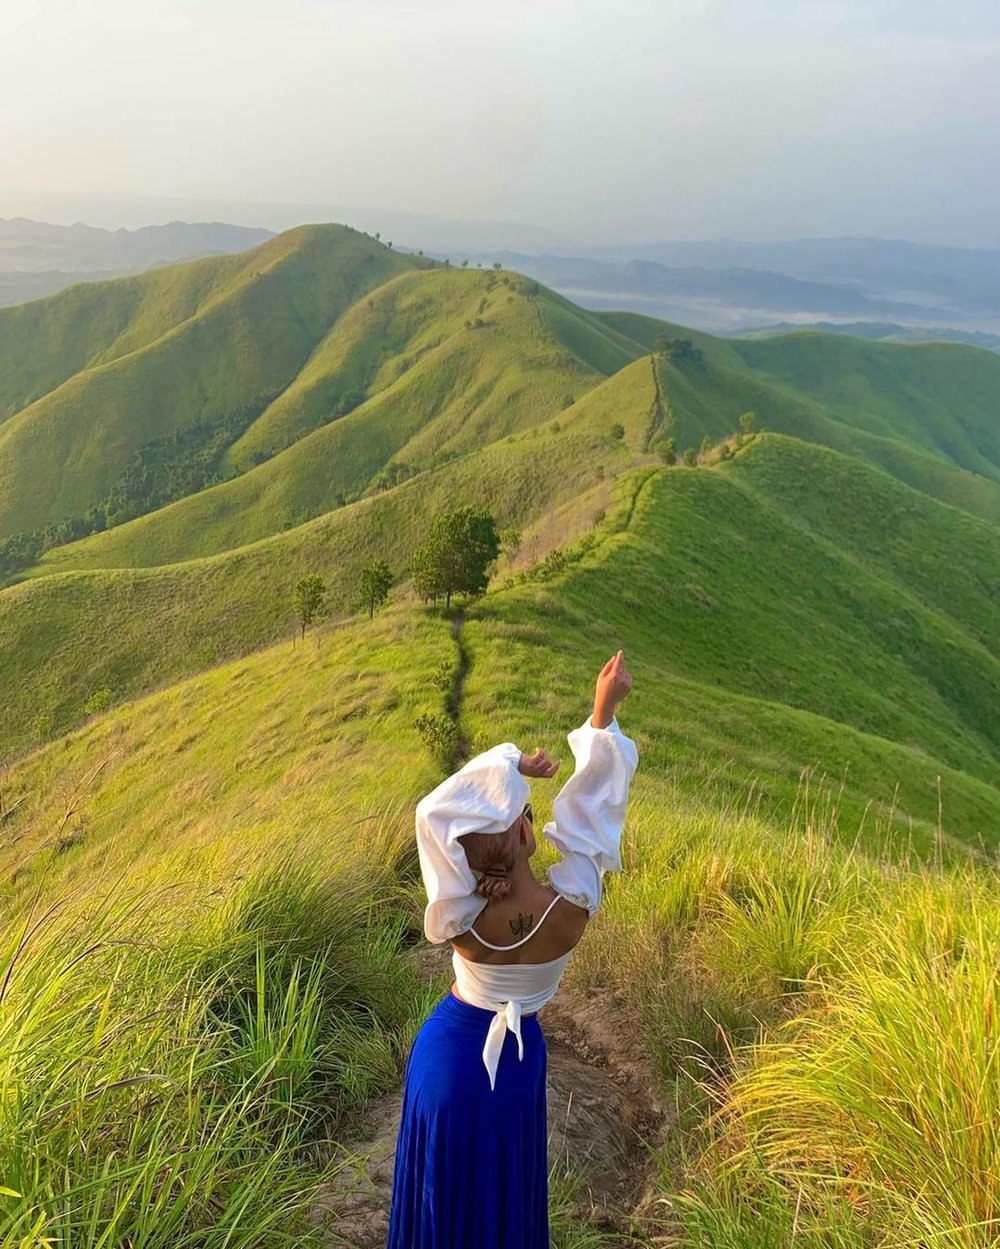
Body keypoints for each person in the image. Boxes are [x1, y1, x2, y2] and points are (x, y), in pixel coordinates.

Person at [385, 650, 638, 1249]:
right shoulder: (570, 911)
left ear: (464, 856)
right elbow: (593, 820)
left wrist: (509, 763)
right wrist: (601, 716)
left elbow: (431, 812)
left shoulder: (457, 915)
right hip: (516, 1068)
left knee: (440, 1202)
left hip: (446, 1059)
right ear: (528, 833)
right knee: (502, 1195)